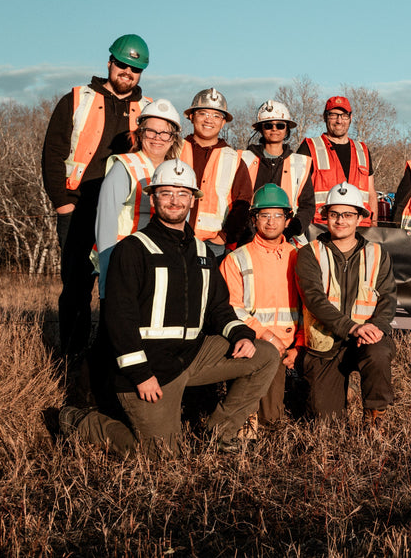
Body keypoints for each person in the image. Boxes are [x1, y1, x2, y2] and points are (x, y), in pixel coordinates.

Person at [51, 160, 280, 456]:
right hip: (149, 369)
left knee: (265, 355)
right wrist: (140, 373)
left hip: (191, 357)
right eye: (167, 193)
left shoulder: (200, 251)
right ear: (153, 197)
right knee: (161, 456)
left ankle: (220, 433)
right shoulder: (132, 249)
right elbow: (119, 319)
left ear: (193, 200)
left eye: (183, 194)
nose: (175, 200)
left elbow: (218, 307)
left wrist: (240, 335)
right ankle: (82, 421)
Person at [41, 34, 152, 356]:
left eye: (135, 68)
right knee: (76, 286)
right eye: (122, 64)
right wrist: (62, 204)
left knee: (120, 286)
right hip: (78, 206)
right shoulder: (78, 99)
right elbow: (53, 152)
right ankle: (71, 358)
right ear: (109, 62)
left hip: (123, 210)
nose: (127, 72)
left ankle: (109, 355)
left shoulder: (146, 110)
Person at [296, 182, 397, 424]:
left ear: (359, 217)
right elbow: (314, 300)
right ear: (325, 216)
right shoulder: (309, 252)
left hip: (366, 340)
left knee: (378, 353)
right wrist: (352, 327)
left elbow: (387, 298)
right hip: (326, 345)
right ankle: (343, 392)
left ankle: (375, 418)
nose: (341, 221)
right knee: (324, 422)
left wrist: (376, 328)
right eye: (334, 214)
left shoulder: (378, 253)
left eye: (348, 214)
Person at [220, 184, 301, 427]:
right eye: (264, 215)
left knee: (289, 415)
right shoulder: (236, 259)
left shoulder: (300, 255)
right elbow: (231, 307)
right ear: (254, 219)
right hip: (258, 344)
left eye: (278, 215)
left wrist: (300, 345)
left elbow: (311, 306)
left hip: (294, 345)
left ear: (288, 220)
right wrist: (267, 336)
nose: (271, 222)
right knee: (267, 421)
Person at [94, 98, 182, 299]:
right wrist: (108, 278)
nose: (157, 138)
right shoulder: (124, 166)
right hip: (123, 259)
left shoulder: (176, 170)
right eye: (151, 131)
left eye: (165, 132)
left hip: (159, 262)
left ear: (173, 138)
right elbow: (105, 222)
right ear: (140, 134)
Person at [180, 88, 252, 257]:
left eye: (216, 115)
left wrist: (223, 237)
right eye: (202, 113)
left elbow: (243, 204)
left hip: (213, 246)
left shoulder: (234, 159)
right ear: (191, 116)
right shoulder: (174, 150)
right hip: (173, 239)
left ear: (223, 122)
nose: (209, 120)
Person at [239, 100, 314, 244]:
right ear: (260, 129)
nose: (274, 129)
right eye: (268, 125)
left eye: (280, 125)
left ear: (287, 129)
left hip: (289, 239)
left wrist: (289, 230)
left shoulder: (300, 163)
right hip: (248, 238)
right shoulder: (244, 159)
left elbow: (307, 205)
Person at [298, 96, 376, 231]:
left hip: (360, 228)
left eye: (344, 115)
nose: (339, 121)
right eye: (333, 115)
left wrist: (374, 225)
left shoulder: (362, 150)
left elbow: (371, 193)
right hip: (320, 227)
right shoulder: (310, 147)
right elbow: (296, 191)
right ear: (325, 117)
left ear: (350, 118)